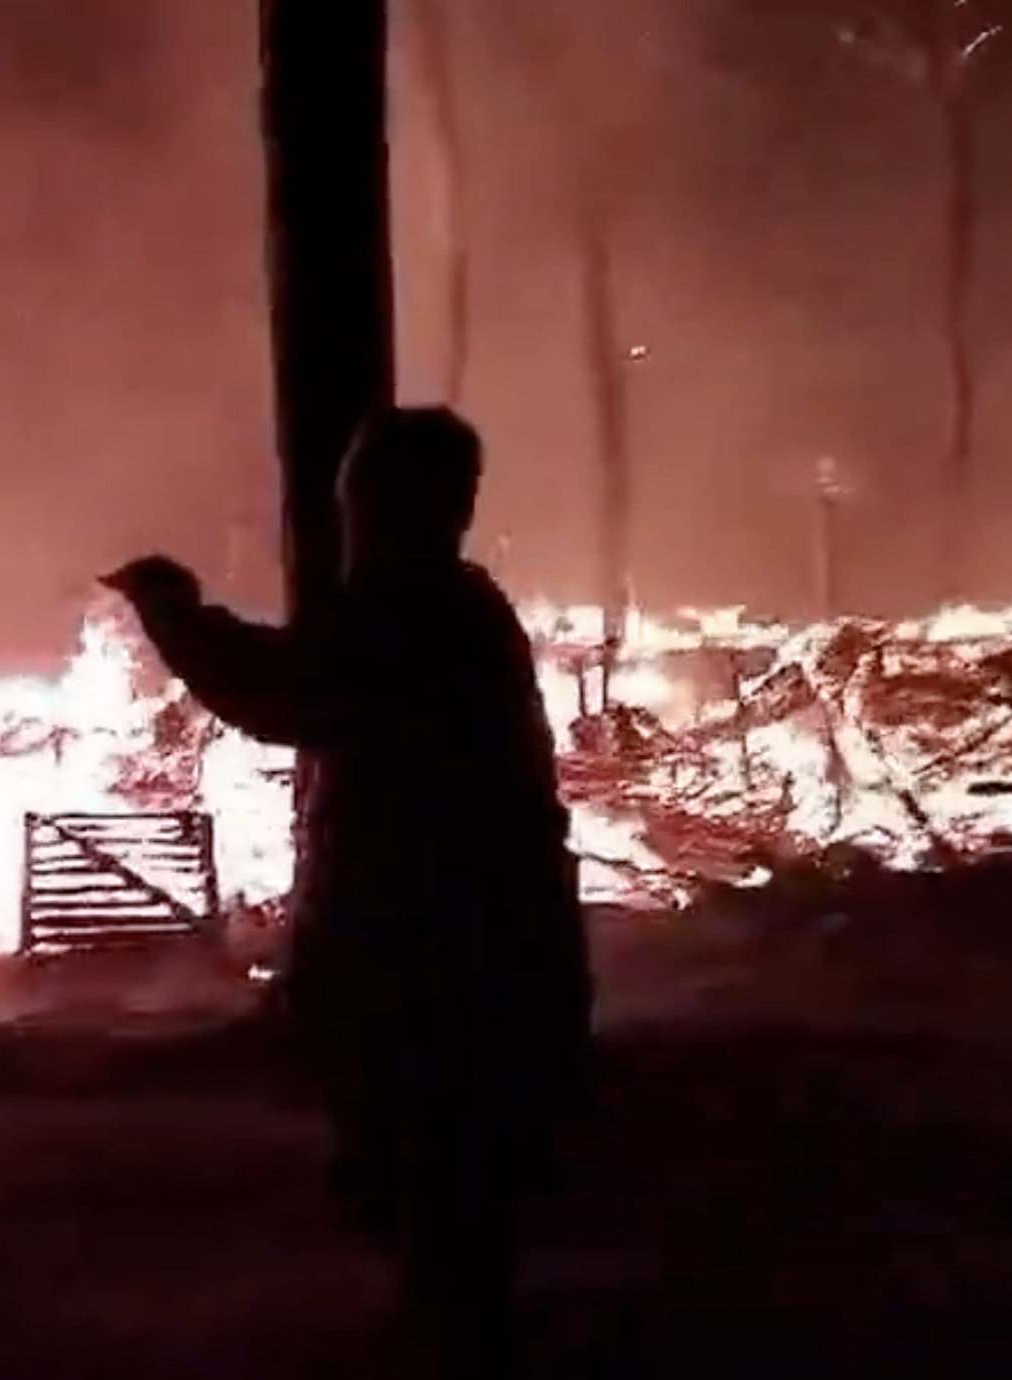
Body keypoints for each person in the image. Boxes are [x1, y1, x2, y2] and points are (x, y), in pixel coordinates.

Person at [104, 406, 594, 1377]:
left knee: (429, 1175)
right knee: (440, 1186)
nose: (349, 514)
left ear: (391, 503)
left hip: (435, 951)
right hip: (470, 938)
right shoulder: (451, 603)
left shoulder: (415, 612)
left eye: (360, 494)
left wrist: (170, 610)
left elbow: (281, 691)